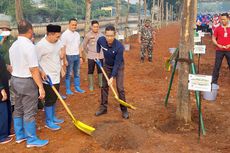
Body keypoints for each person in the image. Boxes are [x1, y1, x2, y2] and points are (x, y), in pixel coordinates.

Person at [9, 20, 48, 148]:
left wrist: (39, 70)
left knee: (18, 109)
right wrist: (41, 87)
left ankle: (20, 136)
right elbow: (33, 69)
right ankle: (31, 139)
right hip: (27, 82)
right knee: (29, 111)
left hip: (15, 80)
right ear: (30, 30)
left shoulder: (13, 45)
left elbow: (18, 65)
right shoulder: (29, 46)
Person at [95, 25, 129, 119]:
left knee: (120, 88)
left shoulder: (119, 47)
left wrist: (112, 77)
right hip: (107, 66)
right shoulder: (101, 40)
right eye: (107, 35)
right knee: (104, 86)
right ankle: (103, 108)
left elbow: (117, 64)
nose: (109, 38)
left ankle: (124, 109)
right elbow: (98, 43)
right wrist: (98, 54)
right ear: (105, 35)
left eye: (111, 36)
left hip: (119, 67)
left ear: (115, 35)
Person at [36, 24, 65, 131]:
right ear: (50, 34)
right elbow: (34, 62)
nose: (58, 39)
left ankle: (53, 117)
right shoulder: (40, 45)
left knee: (55, 97)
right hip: (47, 77)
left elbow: (59, 53)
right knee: (49, 99)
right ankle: (48, 121)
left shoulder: (57, 42)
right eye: (57, 36)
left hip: (56, 74)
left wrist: (61, 68)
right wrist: (41, 71)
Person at [61, 18, 85, 95]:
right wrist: (65, 59)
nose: (74, 26)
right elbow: (63, 48)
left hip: (77, 56)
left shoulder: (77, 34)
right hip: (69, 56)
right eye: (72, 25)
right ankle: (68, 89)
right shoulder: (64, 35)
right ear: (69, 25)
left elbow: (79, 46)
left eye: (75, 25)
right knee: (69, 73)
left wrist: (80, 57)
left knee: (77, 72)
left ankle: (77, 87)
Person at [82, 20, 104, 91]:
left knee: (100, 70)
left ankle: (101, 84)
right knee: (90, 70)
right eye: (94, 27)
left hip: (100, 55)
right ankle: (91, 85)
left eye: (97, 27)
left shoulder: (101, 35)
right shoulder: (88, 35)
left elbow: (104, 45)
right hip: (91, 56)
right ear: (91, 27)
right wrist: (88, 52)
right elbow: (84, 45)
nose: (96, 28)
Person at [212, 13, 230, 85]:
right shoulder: (217, 28)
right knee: (217, 66)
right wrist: (217, 44)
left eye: (224, 19)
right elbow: (213, 38)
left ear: (228, 19)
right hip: (219, 50)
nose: (222, 21)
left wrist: (229, 45)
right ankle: (214, 82)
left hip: (229, 50)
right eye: (221, 19)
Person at [0, 44, 12, 144]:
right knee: (2, 111)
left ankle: (7, 131)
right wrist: (1, 89)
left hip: (5, 84)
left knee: (7, 108)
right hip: (1, 88)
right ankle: (2, 136)